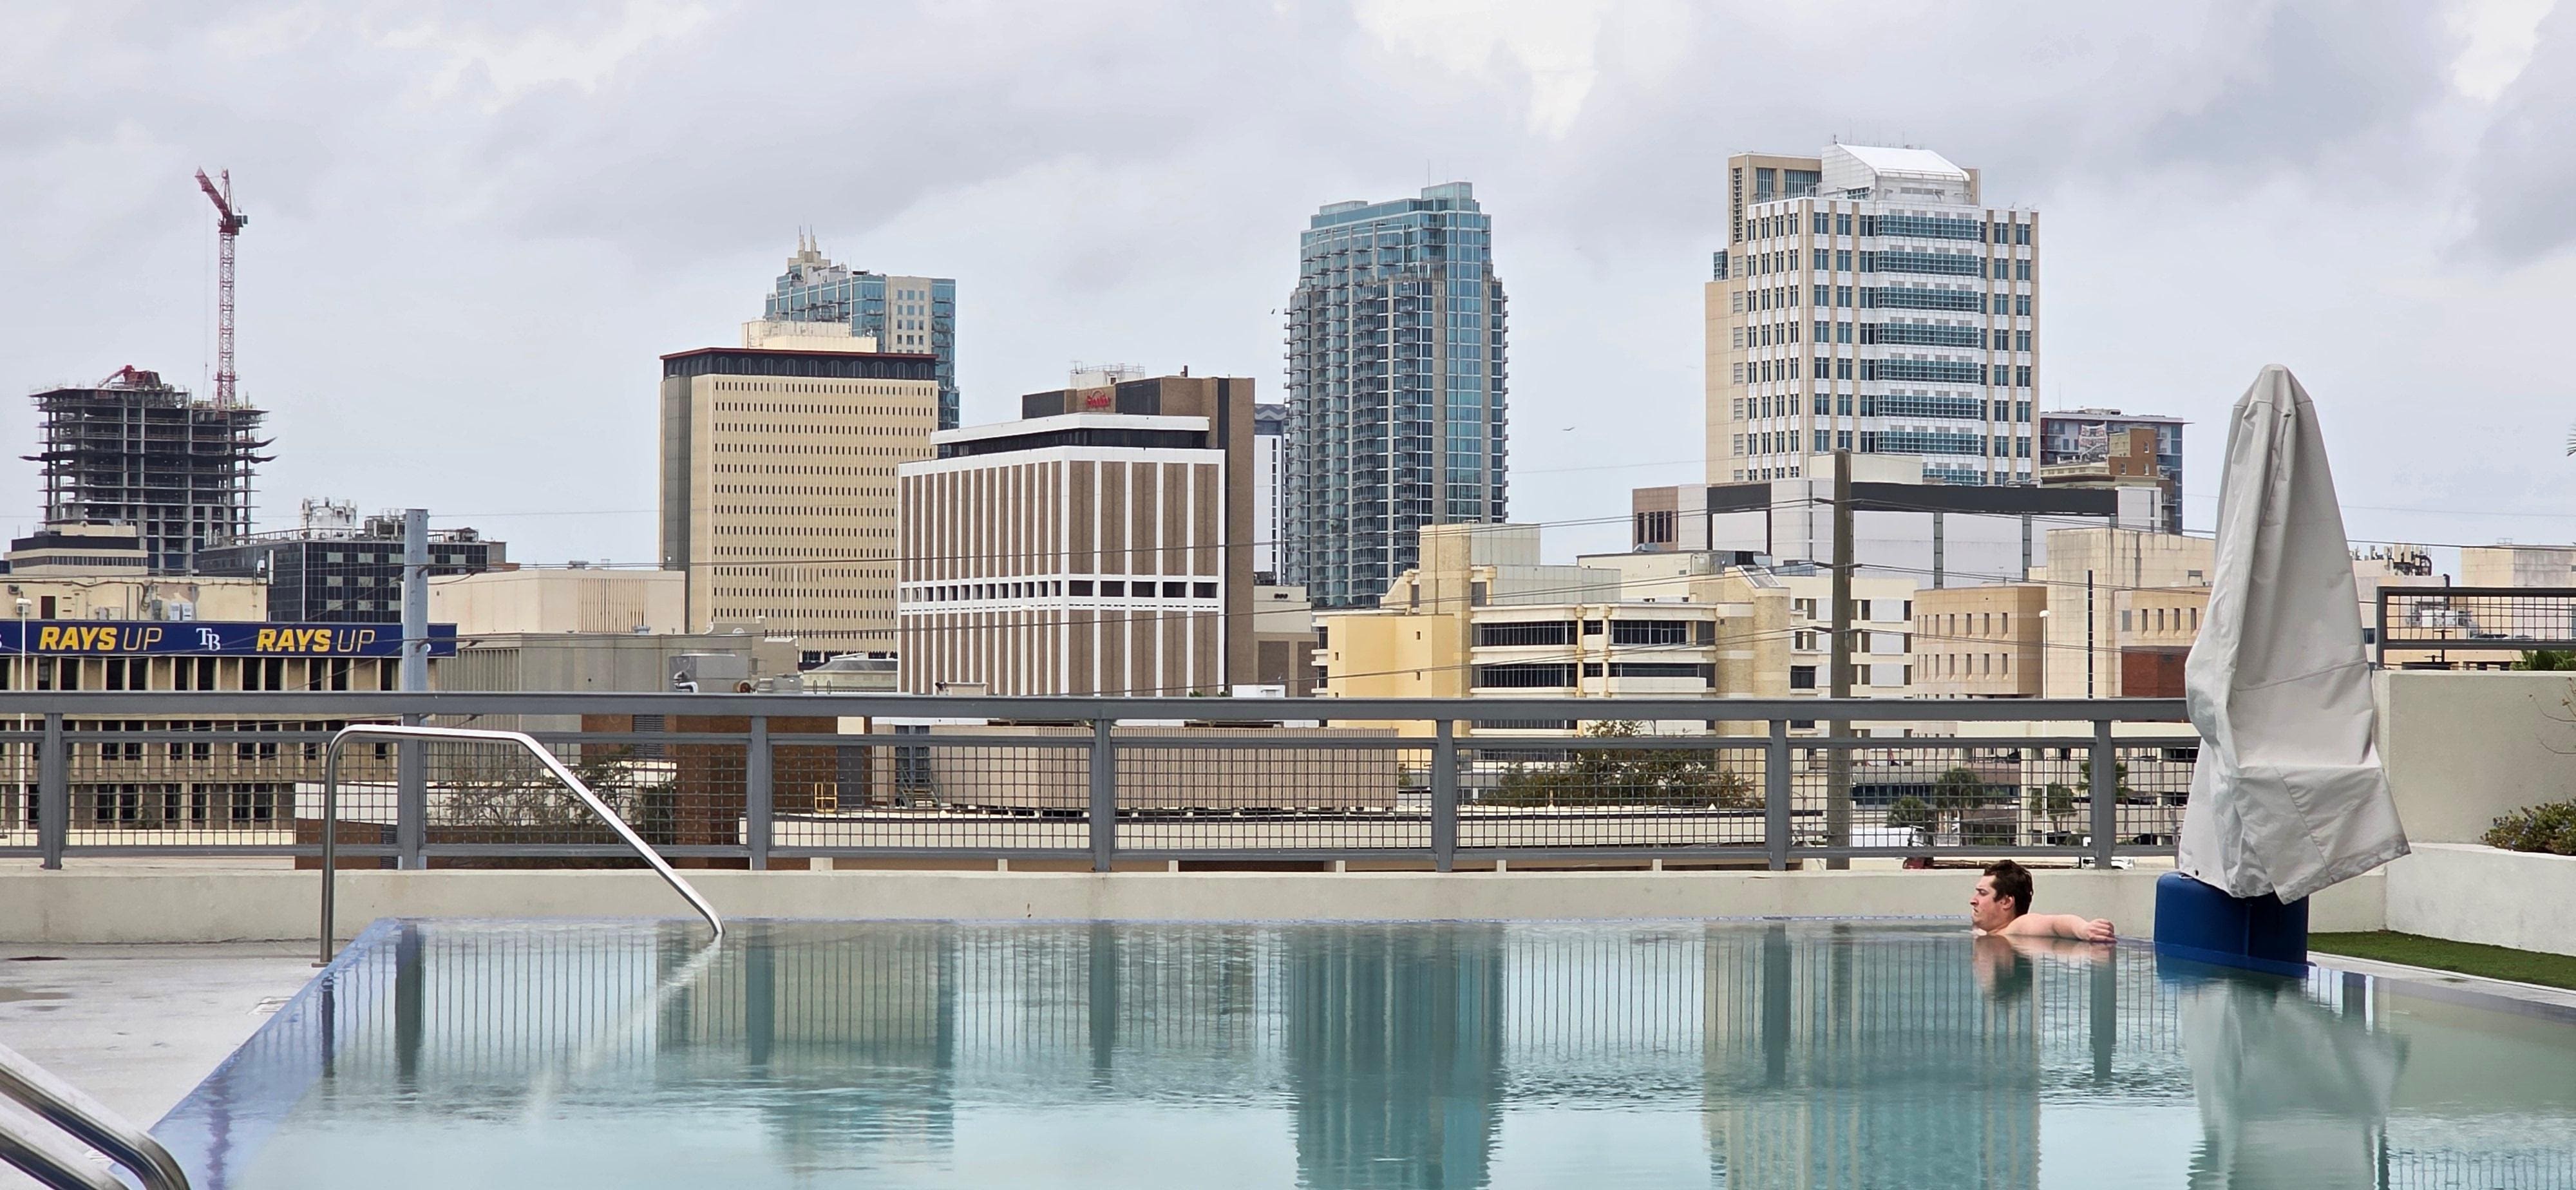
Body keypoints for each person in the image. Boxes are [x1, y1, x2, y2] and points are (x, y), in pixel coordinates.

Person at [1969, 859, 2113, 941]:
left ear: (2006, 902)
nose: (1973, 901)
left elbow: (2054, 924)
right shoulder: (1987, 932)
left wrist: (2084, 929)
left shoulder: (2017, 927)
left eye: (1982, 893)